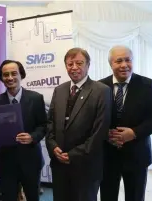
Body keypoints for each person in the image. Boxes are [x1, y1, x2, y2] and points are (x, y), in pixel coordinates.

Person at [45, 47, 112, 201]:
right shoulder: (59, 90)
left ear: (88, 65)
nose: (74, 67)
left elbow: (100, 131)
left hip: (86, 166)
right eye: (70, 64)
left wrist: (73, 155)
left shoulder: (101, 91)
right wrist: (53, 146)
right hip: (60, 165)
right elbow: (50, 123)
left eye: (79, 63)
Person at [0, 60, 47, 201]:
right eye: (5, 74)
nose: (9, 77)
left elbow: (44, 125)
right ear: (1, 78)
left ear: (21, 75)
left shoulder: (36, 98)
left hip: (31, 159)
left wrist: (32, 137)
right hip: (7, 161)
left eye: (14, 73)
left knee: (33, 197)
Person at [99, 45, 152, 201]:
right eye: (118, 61)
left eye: (128, 60)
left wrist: (134, 133)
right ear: (111, 64)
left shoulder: (147, 85)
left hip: (137, 155)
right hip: (108, 155)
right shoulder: (100, 87)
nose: (124, 65)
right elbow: (94, 118)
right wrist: (104, 134)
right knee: (107, 196)